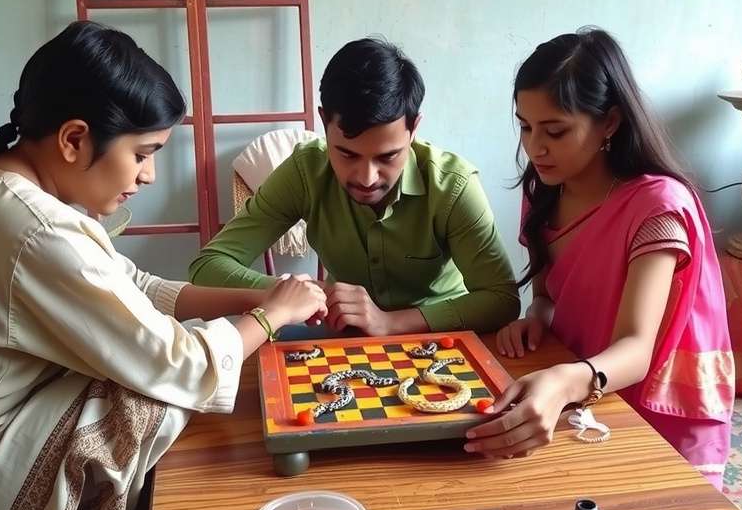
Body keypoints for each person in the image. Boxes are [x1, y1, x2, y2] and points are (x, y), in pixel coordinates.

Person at [0, 21, 326, 510]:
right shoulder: (36, 230)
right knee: (150, 390)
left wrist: (258, 295)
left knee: (151, 353)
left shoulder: (0, 185)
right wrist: (270, 317)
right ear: (74, 139)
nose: (148, 175)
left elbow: (132, 285)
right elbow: (171, 361)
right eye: (143, 153)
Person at [465, 28, 733, 490]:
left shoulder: (656, 208)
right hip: (584, 389)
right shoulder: (545, 189)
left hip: (657, 411)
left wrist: (565, 381)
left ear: (609, 122)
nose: (535, 147)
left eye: (555, 131)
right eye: (525, 126)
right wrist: (539, 316)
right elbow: (548, 293)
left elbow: (637, 347)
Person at [189, 37, 520, 336]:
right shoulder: (305, 171)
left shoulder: (452, 186)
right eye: (346, 154)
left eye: (388, 156)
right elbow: (208, 266)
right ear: (324, 122)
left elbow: (501, 299)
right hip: (344, 336)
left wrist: (390, 322)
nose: (366, 177)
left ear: (414, 128)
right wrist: (299, 294)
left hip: (439, 336)